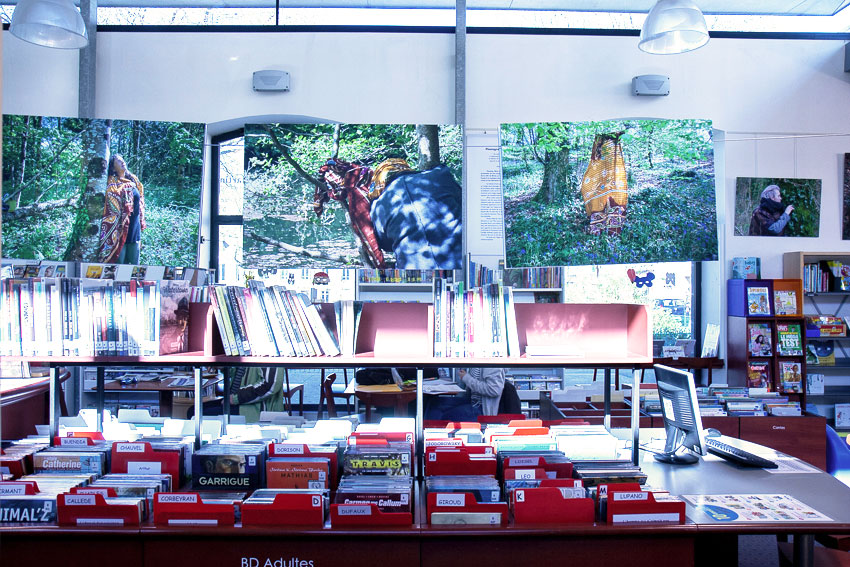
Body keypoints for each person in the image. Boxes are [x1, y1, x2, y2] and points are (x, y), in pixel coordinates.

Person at [96, 154, 146, 264]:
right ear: (113, 168)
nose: (123, 162)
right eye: (119, 161)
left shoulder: (133, 180)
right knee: (119, 267)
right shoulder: (112, 183)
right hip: (118, 232)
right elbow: (111, 200)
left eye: (123, 160)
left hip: (134, 230)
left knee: (134, 269)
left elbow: (141, 202)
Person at [424, 367, 505, 421]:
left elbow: (494, 390)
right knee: (434, 403)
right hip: (471, 401)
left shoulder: (491, 364)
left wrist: (466, 378)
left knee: (443, 416)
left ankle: (433, 438)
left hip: (481, 409)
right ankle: (425, 435)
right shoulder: (476, 360)